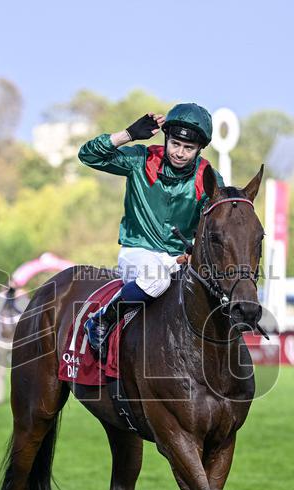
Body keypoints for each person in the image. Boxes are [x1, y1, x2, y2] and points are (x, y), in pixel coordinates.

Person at [78, 103, 224, 358]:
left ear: (200, 149)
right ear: (166, 139)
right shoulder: (140, 159)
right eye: (175, 144)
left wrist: (197, 253)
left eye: (188, 148)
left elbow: (216, 224)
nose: (180, 153)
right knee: (157, 280)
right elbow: (88, 155)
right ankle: (102, 319)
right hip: (137, 251)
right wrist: (127, 135)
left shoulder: (208, 177)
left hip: (181, 260)